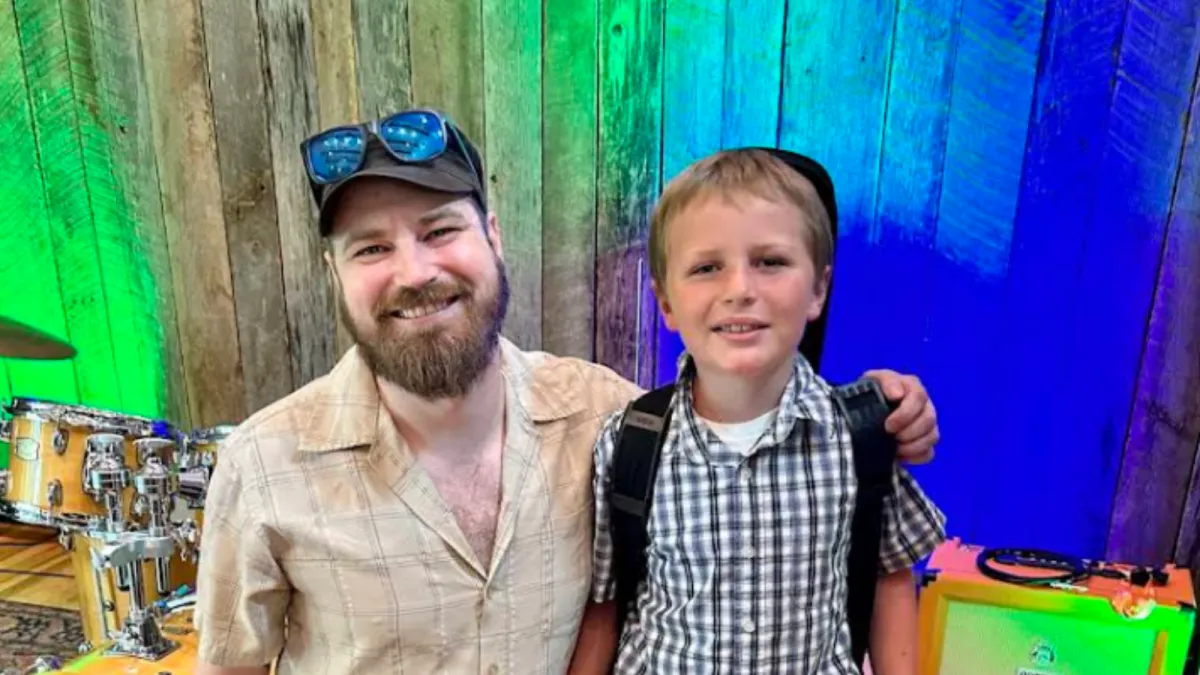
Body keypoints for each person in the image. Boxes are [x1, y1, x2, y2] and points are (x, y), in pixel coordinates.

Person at [193, 109, 942, 675]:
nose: (414, 270)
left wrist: (878, 409)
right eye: (372, 248)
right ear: (337, 276)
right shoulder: (263, 468)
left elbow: (738, 410)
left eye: (439, 229)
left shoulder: (605, 417)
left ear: (492, 235)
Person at [573, 148, 946, 674]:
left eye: (770, 262)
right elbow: (605, 605)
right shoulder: (629, 444)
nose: (740, 290)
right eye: (707, 268)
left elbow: (889, 575)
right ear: (667, 305)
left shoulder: (862, 436)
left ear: (818, 288)